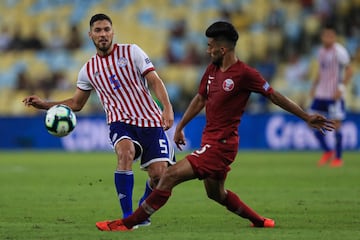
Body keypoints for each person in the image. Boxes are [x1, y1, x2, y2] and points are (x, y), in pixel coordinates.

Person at [95, 21, 335, 231]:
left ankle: (126, 224)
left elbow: (274, 96)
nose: (207, 49)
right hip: (210, 141)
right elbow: (200, 99)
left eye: (210, 46)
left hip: (222, 146)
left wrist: (305, 116)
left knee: (168, 176)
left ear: (222, 49)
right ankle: (260, 221)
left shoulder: (244, 74)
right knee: (216, 194)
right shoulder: (212, 69)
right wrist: (180, 127)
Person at [23, 13, 175, 226]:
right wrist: (45, 104)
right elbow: (77, 103)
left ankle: (142, 210)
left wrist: (167, 108)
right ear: (90, 35)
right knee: (125, 152)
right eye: (98, 30)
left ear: (112, 32)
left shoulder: (132, 52)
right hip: (119, 122)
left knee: (160, 176)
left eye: (106, 30)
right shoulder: (88, 70)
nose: (102, 34)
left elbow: (155, 81)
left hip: (150, 121)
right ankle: (127, 218)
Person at [309, 23, 352, 167]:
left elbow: (349, 70)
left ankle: (338, 158)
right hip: (321, 94)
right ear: (322, 37)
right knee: (311, 122)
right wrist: (314, 86)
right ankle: (328, 151)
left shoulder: (339, 51)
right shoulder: (320, 51)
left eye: (331, 36)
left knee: (336, 126)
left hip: (334, 94)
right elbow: (321, 71)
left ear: (335, 37)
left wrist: (341, 88)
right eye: (326, 36)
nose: (328, 38)